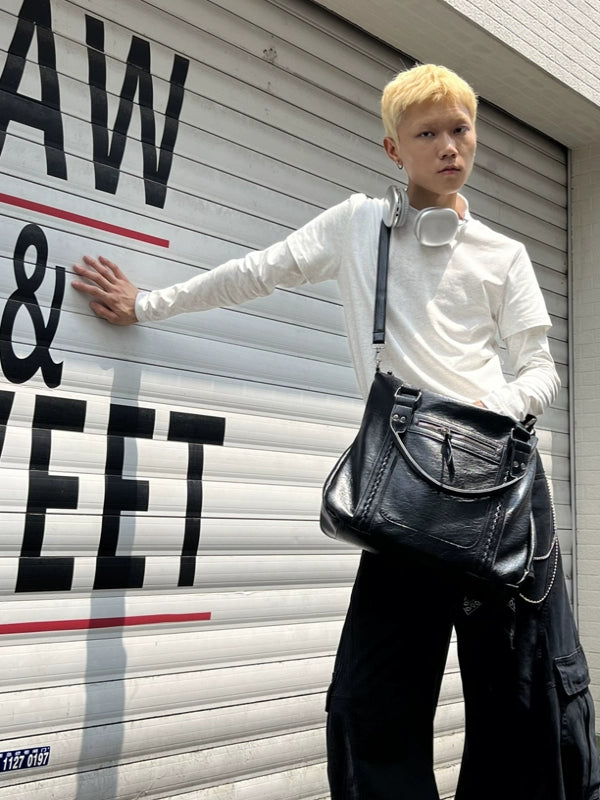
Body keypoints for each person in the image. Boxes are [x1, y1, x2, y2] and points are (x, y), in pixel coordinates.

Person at [73, 64, 599, 800]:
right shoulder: (357, 226)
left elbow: (541, 368)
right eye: (427, 134)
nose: (449, 146)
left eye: (460, 129)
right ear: (393, 149)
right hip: (407, 493)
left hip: (504, 493)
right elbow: (255, 273)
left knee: (528, 703)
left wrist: (495, 412)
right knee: (371, 705)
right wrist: (146, 305)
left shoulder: (503, 255)